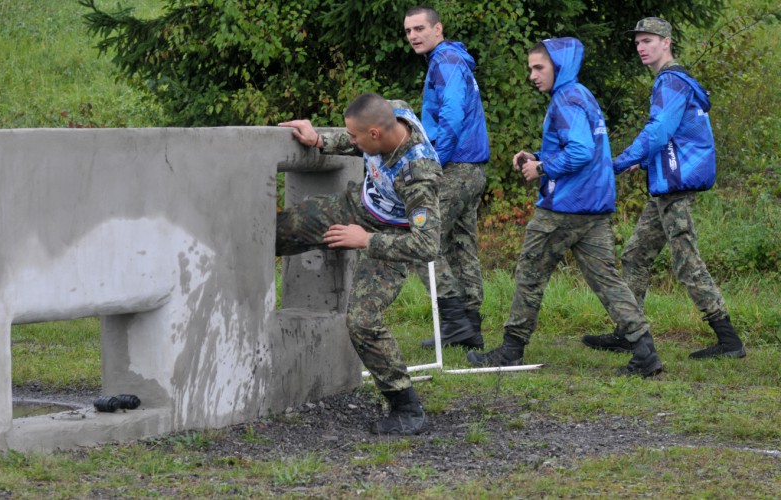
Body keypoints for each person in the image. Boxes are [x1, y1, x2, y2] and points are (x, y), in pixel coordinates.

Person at [467, 38, 663, 378]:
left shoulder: (565, 99)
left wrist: (541, 169)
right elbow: (579, 149)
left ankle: (511, 351)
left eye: (538, 67)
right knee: (609, 282)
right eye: (530, 68)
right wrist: (539, 156)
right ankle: (646, 354)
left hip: (564, 209)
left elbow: (581, 152)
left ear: (560, 66)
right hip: (594, 207)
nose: (532, 75)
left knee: (529, 275)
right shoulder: (582, 94)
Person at [582, 18, 746, 360]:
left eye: (648, 40)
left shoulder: (670, 81)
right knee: (636, 254)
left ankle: (729, 340)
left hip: (675, 187)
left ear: (666, 42)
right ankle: (628, 332)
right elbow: (675, 135)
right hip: (665, 186)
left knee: (687, 262)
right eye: (638, 42)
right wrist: (640, 162)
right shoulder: (671, 81)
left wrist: (622, 160)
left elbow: (658, 133)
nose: (641, 47)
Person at [278, 93, 442, 435]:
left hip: (391, 236)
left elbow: (427, 245)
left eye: (353, 137)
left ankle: (406, 409)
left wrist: (365, 240)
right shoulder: (392, 112)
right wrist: (320, 140)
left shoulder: (418, 176)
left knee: (363, 320)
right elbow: (358, 138)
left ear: (375, 135)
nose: (349, 140)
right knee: (279, 230)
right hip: (360, 207)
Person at [403, 6, 490, 350]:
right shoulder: (452, 60)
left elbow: (452, 113)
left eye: (420, 28)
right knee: (460, 244)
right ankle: (469, 324)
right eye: (409, 30)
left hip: (456, 165)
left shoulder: (446, 61)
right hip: (472, 167)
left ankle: (454, 320)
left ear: (437, 29)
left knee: (421, 240)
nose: (413, 35)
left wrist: (434, 159)